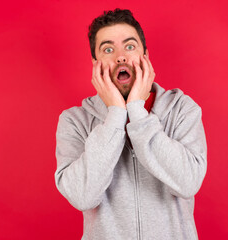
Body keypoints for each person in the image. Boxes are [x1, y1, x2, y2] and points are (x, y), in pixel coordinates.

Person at [54, 8, 207, 240]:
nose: (121, 57)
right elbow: (82, 196)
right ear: (95, 63)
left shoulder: (182, 109)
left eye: (129, 46)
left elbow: (187, 183)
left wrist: (137, 111)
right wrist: (116, 115)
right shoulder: (74, 121)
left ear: (145, 55)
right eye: (108, 49)